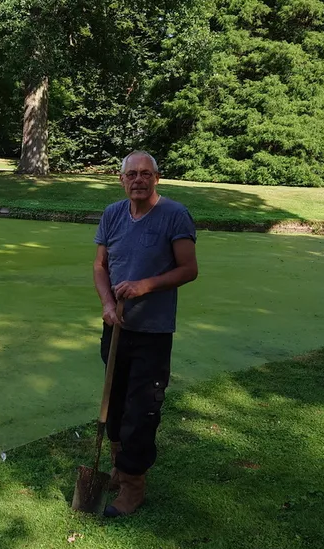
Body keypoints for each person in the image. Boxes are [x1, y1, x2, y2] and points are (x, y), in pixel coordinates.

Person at [93, 150, 198, 517]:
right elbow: (100, 266)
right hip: (116, 327)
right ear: (121, 179)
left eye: (145, 174)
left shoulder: (174, 215)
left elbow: (188, 269)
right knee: (115, 404)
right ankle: (119, 470)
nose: (138, 180)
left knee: (141, 410)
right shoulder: (112, 214)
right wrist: (107, 304)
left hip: (152, 332)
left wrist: (145, 286)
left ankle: (133, 486)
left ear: (157, 178)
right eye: (131, 174)